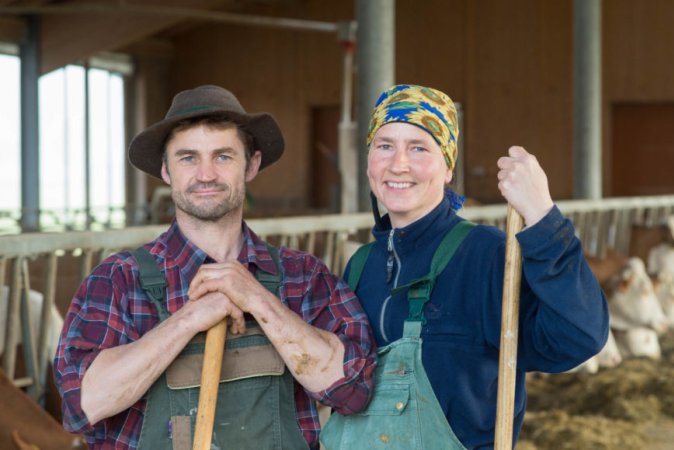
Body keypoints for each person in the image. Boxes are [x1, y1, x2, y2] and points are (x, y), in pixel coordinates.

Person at [54, 85, 377, 449]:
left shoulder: (303, 277)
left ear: (251, 164)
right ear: (165, 169)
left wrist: (258, 299)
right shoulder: (117, 281)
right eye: (188, 158)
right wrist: (189, 319)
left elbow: (354, 389)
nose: (205, 174)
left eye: (223, 156)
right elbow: (81, 406)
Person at [321, 84, 609, 449]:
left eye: (419, 148)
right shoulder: (362, 265)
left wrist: (542, 217)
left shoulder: (486, 256)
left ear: (447, 169)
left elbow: (577, 337)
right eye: (385, 146)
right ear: (368, 162)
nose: (398, 164)